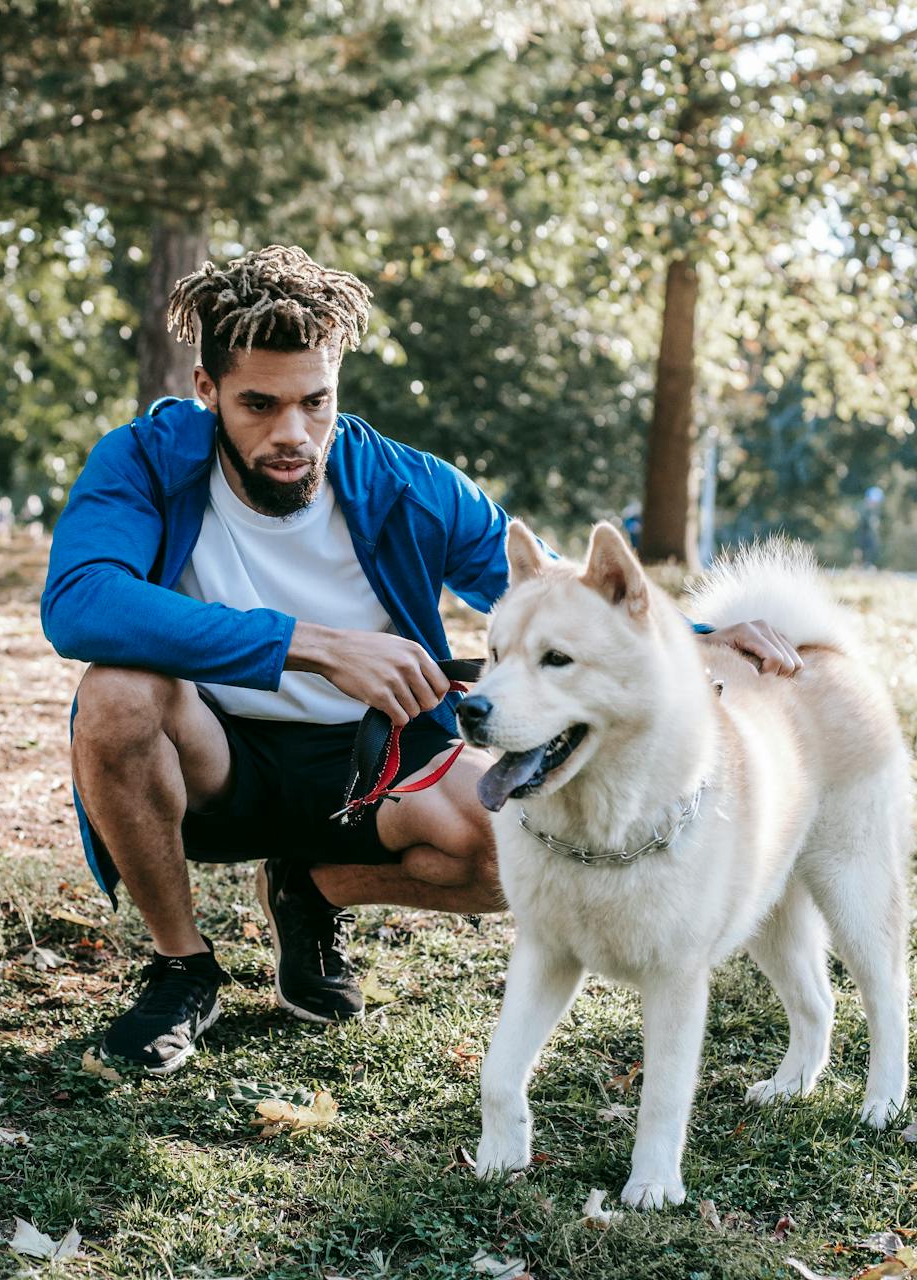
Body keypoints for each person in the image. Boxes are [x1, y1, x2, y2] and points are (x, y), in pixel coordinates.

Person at [41, 245, 804, 1074]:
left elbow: (555, 585)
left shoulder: (409, 485)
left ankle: (310, 890)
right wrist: (312, 646)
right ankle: (183, 968)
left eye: (314, 402)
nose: (292, 433)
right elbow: (80, 601)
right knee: (116, 694)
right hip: (215, 756)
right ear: (206, 391)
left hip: (373, 764)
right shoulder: (145, 460)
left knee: (498, 845)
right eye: (259, 404)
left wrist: (694, 637)